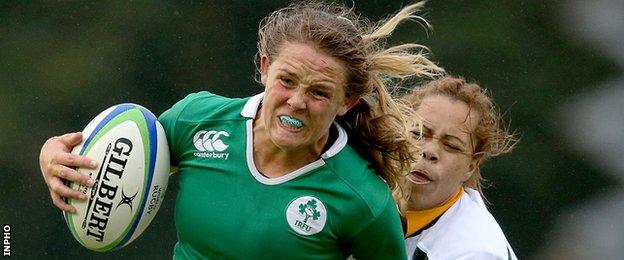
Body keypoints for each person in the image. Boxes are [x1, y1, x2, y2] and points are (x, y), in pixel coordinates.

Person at [38, 1, 443, 259]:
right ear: (265, 68)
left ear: (347, 102)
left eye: (319, 92)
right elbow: (124, 155)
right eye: (287, 80)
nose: (297, 101)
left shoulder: (362, 200)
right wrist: (52, 155)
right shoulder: (198, 119)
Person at [400, 76, 518, 259]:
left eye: (452, 146)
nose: (429, 151)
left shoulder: (474, 251)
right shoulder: (358, 192)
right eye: (418, 133)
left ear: (471, 166)